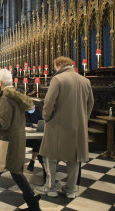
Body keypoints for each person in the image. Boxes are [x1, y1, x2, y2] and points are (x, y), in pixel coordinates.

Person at [0, 69, 40, 211]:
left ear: (0, 82)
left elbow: (2, 124)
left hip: (5, 142)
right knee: (15, 172)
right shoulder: (15, 94)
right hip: (14, 140)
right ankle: (33, 204)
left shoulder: (6, 97)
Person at [35, 56, 94, 199]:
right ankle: (71, 190)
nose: (54, 69)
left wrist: (46, 118)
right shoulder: (85, 81)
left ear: (60, 65)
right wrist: (83, 120)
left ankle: (51, 188)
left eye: (55, 66)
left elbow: (49, 103)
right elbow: (90, 103)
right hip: (77, 127)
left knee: (50, 156)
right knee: (74, 159)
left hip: (57, 126)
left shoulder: (58, 79)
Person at [25, 105, 44, 172]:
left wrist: (39, 125)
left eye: (33, 106)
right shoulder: (24, 112)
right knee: (39, 144)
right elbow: (24, 123)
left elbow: (42, 121)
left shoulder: (37, 110)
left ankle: (32, 161)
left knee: (39, 142)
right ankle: (44, 169)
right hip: (27, 137)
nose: (31, 108)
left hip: (37, 134)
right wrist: (32, 125)